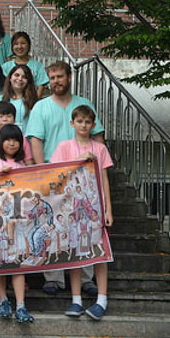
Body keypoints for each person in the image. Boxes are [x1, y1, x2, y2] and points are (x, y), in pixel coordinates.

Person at [27, 60, 104, 297]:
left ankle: (86, 277)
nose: (55, 82)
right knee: (54, 226)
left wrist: (98, 166)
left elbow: (97, 138)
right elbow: (36, 140)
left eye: (59, 77)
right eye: (51, 78)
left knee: (83, 225)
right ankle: (54, 277)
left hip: (83, 176)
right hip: (54, 174)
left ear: (69, 77)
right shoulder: (41, 106)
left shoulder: (83, 104)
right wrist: (42, 173)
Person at [51, 106, 113, 320]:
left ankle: (102, 299)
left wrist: (108, 209)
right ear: (72, 123)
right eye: (79, 121)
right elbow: (56, 173)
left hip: (95, 208)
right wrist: (79, 160)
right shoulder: (64, 146)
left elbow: (104, 179)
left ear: (93, 125)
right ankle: (76, 299)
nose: (83, 125)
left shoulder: (100, 148)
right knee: (75, 252)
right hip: (72, 208)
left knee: (100, 253)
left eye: (87, 122)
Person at [0, 124, 34, 323]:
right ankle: (3, 300)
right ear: (0, 141)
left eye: (16, 140)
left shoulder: (23, 167)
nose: (12, 143)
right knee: (0, 262)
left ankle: (21, 305)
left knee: (17, 264)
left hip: (18, 222)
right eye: (8, 139)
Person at [0, 64, 38, 136]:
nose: (20, 79)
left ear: (28, 81)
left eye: (24, 77)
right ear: (10, 78)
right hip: (2, 141)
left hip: (26, 141)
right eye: (17, 75)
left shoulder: (34, 102)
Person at [2, 32, 49, 98]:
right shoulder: (5, 67)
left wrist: (33, 102)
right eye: (16, 44)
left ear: (29, 45)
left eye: (23, 43)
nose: (19, 46)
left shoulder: (38, 66)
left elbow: (40, 87)